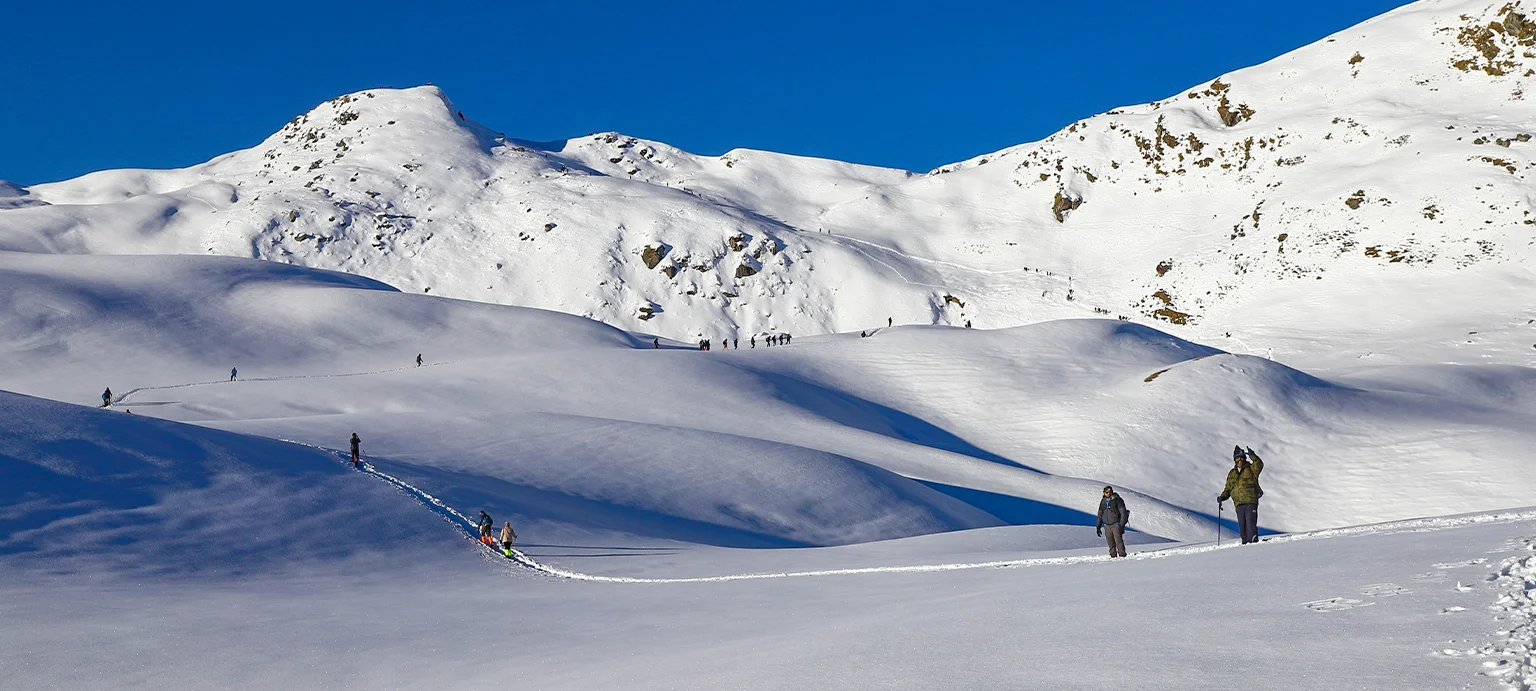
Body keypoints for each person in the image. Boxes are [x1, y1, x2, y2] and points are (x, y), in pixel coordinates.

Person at [1218, 445, 1265, 544]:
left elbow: (1259, 464)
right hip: (1238, 503)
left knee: (1250, 523)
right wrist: (1222, 497)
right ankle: (1245, 543)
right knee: (1242, 525)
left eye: (1242, 457)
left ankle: (1253, 543)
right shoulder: (1232, 473)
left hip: (1250, 501)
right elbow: (1228, 488)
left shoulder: (1251, 469)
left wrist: (1253, 456)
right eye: (1237, 457)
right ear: (1234, 459)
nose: (1240, 460)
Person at [1095, 485, 1130, 558]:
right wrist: (1098, 526)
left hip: (1116, 523)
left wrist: (1121, 525)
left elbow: (1123, 512)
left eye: (1110, 492)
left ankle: (1122, 555)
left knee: (1118, 541)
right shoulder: (1103, 501)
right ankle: (1113, 556)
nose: (1108, 493)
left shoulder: (1118, 500)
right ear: (1104, 493)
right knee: (1110, 542)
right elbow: (1100, 514)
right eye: (1107, 492)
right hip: (1106, 525)